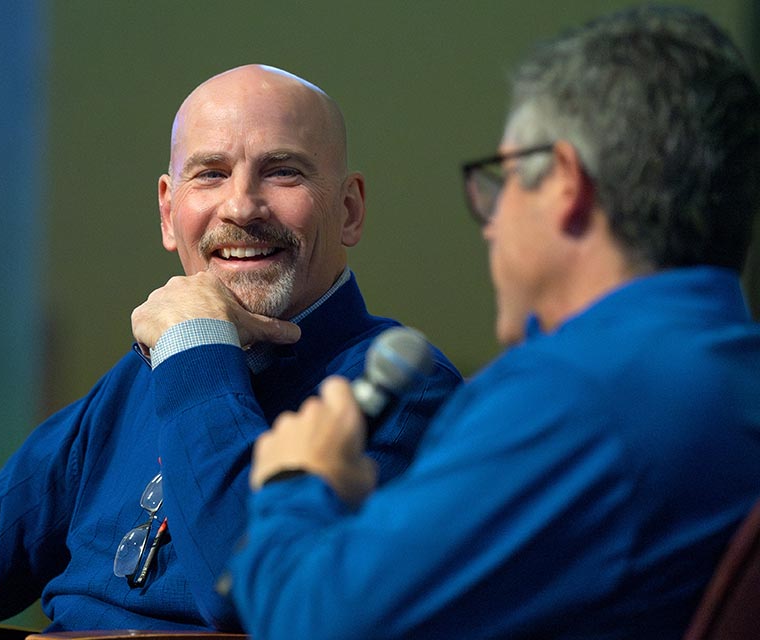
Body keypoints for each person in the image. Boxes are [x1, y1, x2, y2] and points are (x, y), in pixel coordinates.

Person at [0, 64, 462, 636]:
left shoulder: (408, 389)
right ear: (167, 211)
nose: (240, 206)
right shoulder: (145, 371)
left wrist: (195, 350)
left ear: (349, 210)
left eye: (282, 171)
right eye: (210, 174)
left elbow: (251, 595)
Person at [227, 7, 760, 639]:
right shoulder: (730, 373)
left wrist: (296, 483)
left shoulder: (575, 398)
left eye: (502, 181)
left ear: (565, 184)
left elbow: (311, 624)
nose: (491, 222)